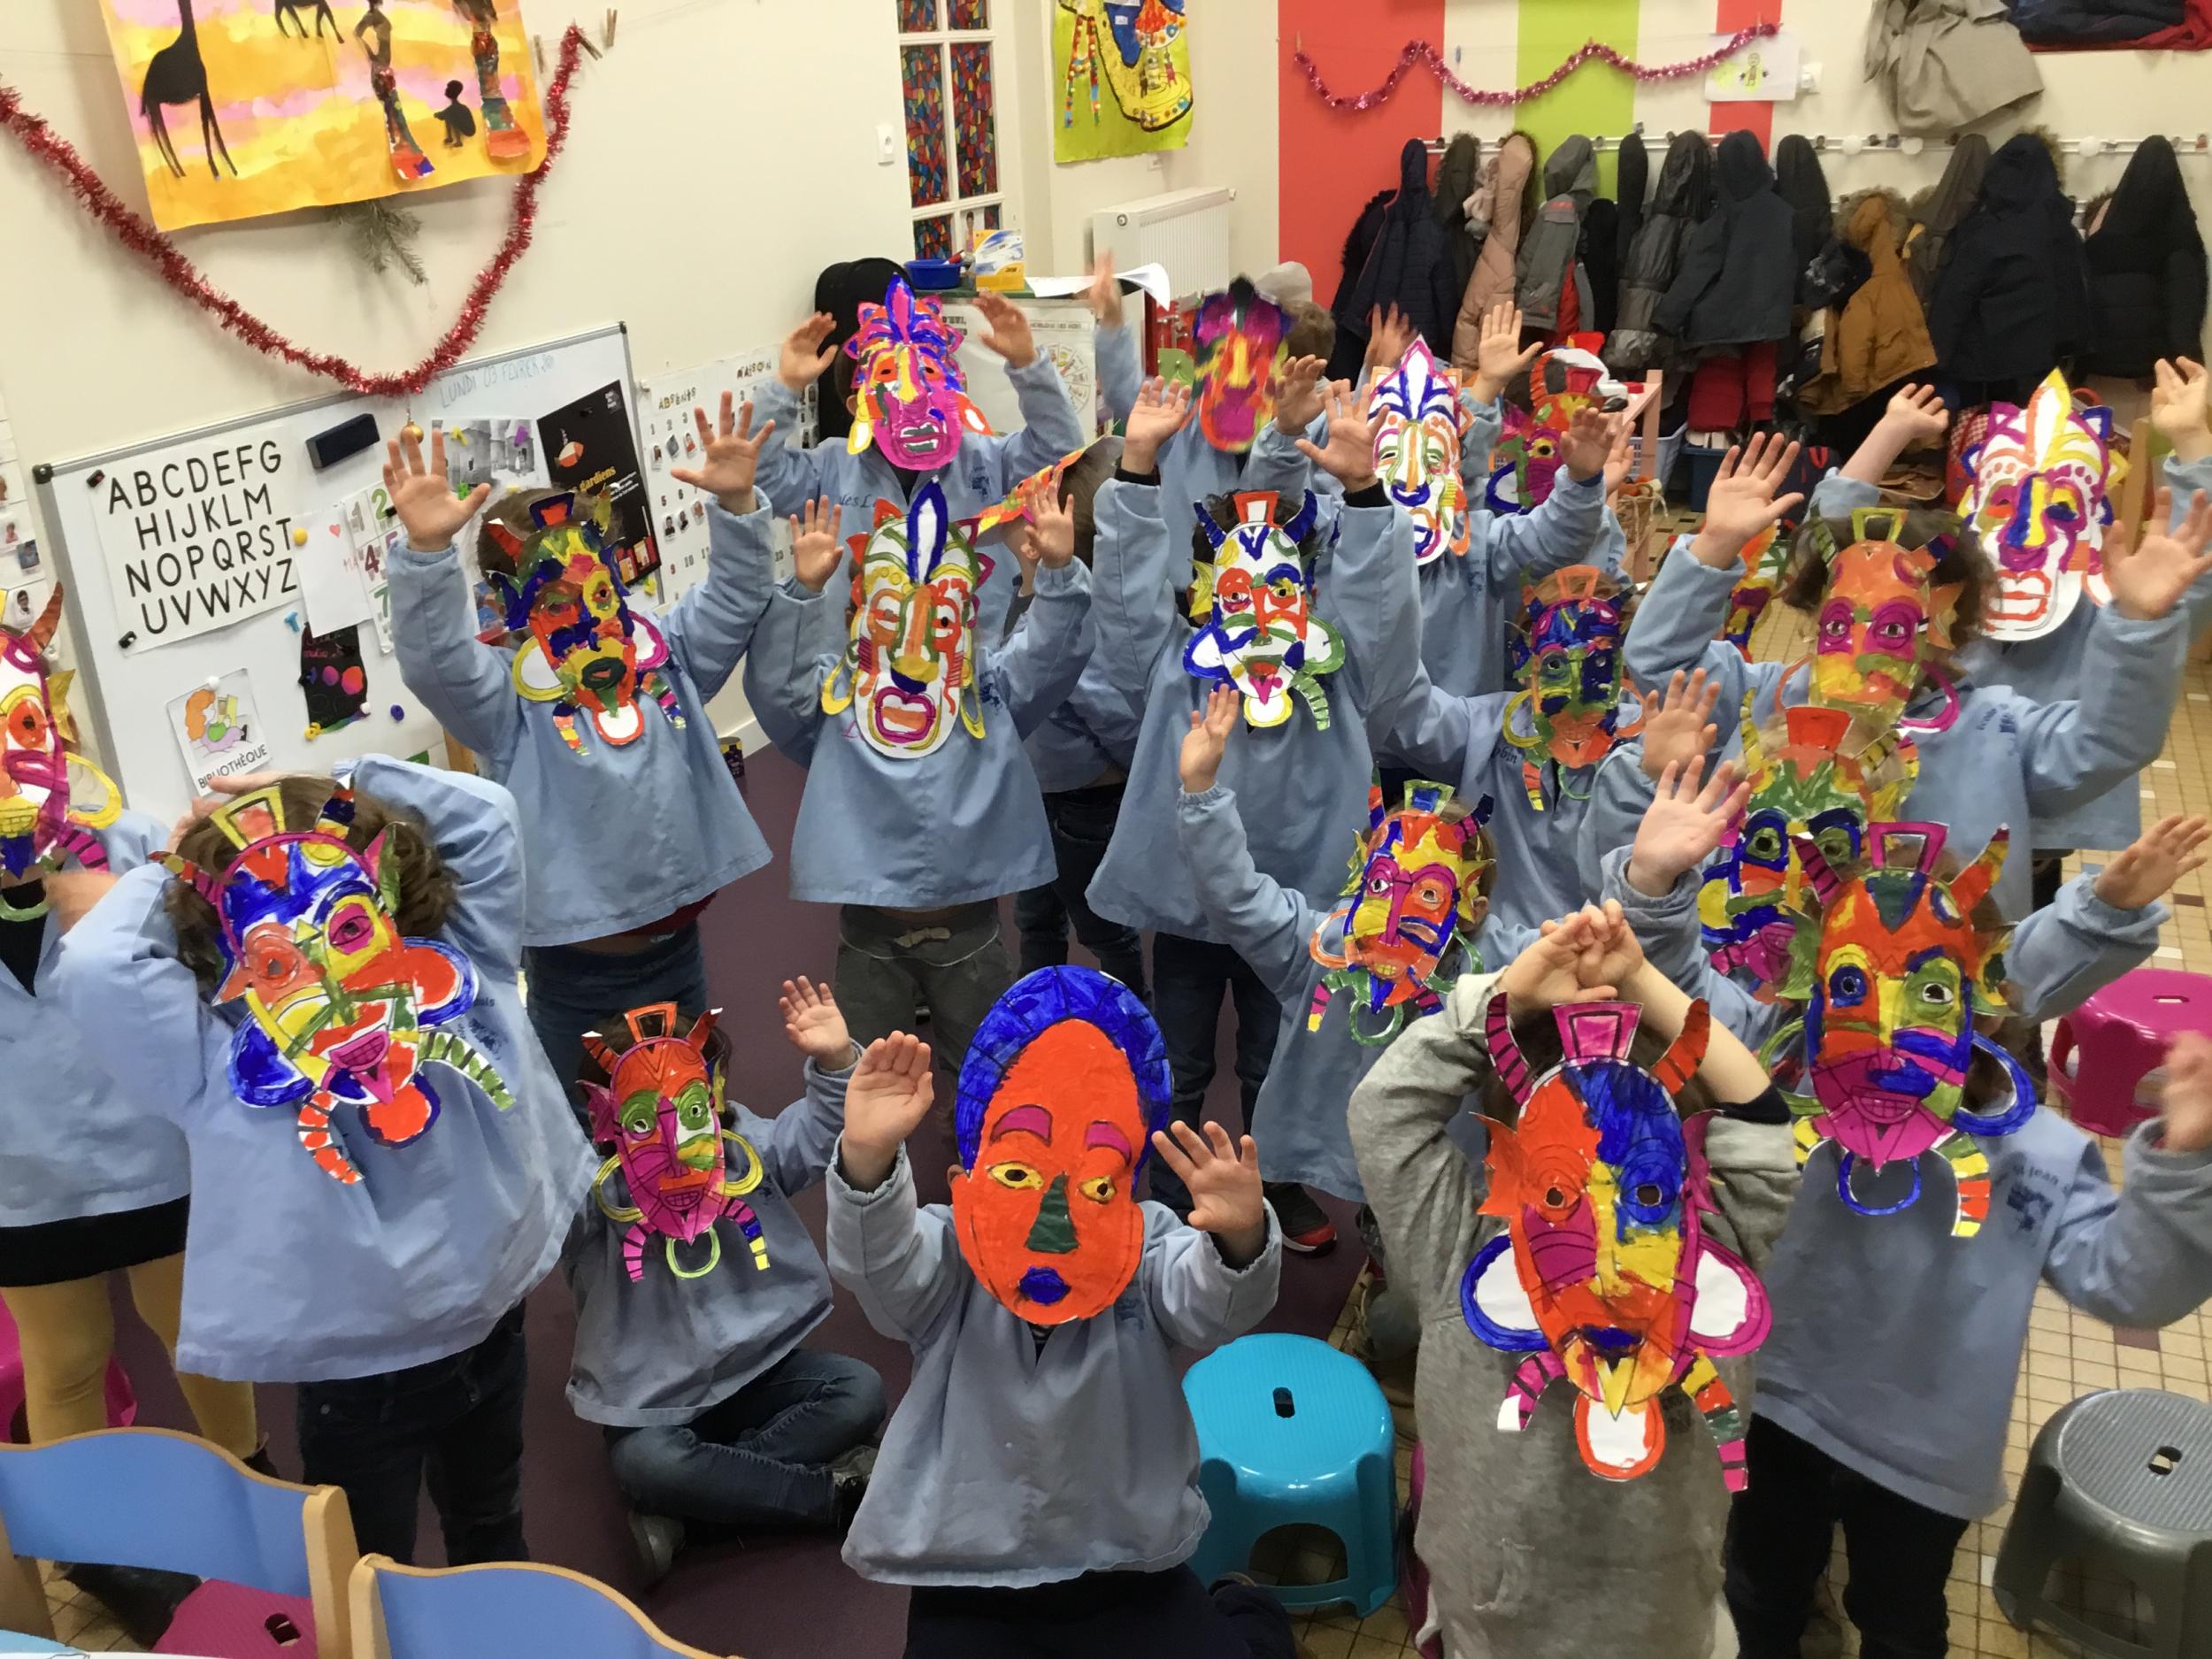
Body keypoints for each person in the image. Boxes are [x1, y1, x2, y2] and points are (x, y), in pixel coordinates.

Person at [48, 760, 592, 1565]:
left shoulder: (455, 968)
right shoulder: (223, 1061)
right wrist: (198, 857)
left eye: (345, 928)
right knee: (373, 1561)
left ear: (383, 897)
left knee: (474, 1528)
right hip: (376, 1364)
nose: (328, 975)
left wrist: (316, 791)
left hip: (471, 1324)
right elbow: (96, 967)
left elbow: (488, 813)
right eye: (276, 957)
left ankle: (485, 1612)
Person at [1348, 904, 1797, 1658]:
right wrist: (1510, 996)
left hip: (1670, 1628)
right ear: (1513, 1161)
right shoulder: (1463, 1258)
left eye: (1643, 1189)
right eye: (1561, 1191)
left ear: (1684, 1167)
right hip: (1495, 1631)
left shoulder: (1716, 1255)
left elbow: (1762, 1124)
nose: (1607, 1242)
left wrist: (1641, 978)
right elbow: (1382, 1111)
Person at [822, 969, 1292, 1659]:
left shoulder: (1144, 1249)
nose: (1054, 1224)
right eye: (1018, 1175)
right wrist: (868, 1157)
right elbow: (879, 1266)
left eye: (1096, 1184)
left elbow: (1210, 1308)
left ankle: (1243, 1606)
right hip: (968, 1571)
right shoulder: (950, 1256)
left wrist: (1240, 1236)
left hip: (1124, 1561)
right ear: (966, 1183)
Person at [1613, 408, 2212, 922]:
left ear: (1946, 629)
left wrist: (2140, 623)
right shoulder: (1765, 696)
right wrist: (1714, 544)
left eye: (1895, 627)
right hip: (1757, 978)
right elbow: (1659, 660)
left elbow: (2108, 741)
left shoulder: (1996, 729)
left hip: (1936, 989)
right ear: (1815, 619)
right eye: (1840, 623)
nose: (1863, 648)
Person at [1082, 379, 1417, 1248]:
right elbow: (1122, 607)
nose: (1260, 613)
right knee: (1181, 1056)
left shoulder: (1344, 668)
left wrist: (1365, 494)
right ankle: (1167, 1195)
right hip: (1191, 901)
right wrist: (1137, 465)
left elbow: (1384, 620)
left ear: (1308, 596)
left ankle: (1276, 1181)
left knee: (1281, 1053)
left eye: (1280, 592)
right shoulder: (1173, 670)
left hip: (1301, 905)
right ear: (1207, 595)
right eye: (1238, 591)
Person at [385, 410, 779, 1108]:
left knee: (689, 1109)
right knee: (584, 1125)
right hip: (574, 973)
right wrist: (426, 551)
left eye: (597, 588)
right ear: (511, 604)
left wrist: (737, 503)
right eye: (555, 600)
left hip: (677, 950)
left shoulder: (660, 653)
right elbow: (435, 660)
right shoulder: (507, 698)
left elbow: (735, 598)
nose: (586, 613)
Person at [740, 472, 1093, 1148]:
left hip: (970, 931)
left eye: (941, 620)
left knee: (992, 1079)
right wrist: (804, 591)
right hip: (871, 933)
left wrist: (1057, 573)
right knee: (862, 1084)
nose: (912, 650)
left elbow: (1052, 656)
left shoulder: (987, 690)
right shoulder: (841, 700)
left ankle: (991, 1179)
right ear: (862, 613)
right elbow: (779, 692)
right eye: (891, 614)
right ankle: (871, 1185)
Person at [568, 979, 886, 1581]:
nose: (675, 1141)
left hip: (760, 1371)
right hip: (656, 1404)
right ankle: (829, 1496)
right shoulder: (592, 1194)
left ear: (715, 1093)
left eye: (691, 1110)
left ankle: (695, 1512)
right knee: (648, 1463)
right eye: (644, 1119)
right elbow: (534, 1216)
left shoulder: (745, 1148)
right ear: (607, 1116)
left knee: (860, 1391)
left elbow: (820, 1135)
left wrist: (836, 1061)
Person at [750, 279, 1089, 629]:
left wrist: (1028, 365)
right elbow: (757, 477)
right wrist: (786, 386)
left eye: (928, 373)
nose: (913, 397)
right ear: (858, 407)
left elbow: (1061, 453)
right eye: (889, 377)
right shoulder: (831, 469)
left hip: (973, 649)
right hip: (865, 652)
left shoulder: (988, 460)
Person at [1008, 438, 1148, 997]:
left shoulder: (1079, 621)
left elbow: (1113, 718)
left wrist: (1136, 775)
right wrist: (1028, 579)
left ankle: (1132, 1021)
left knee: (1103, 929)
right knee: (1036, 918)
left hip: (1085, 802)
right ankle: (1033, 1014)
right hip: (1041, 796)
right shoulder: (1042, 598)